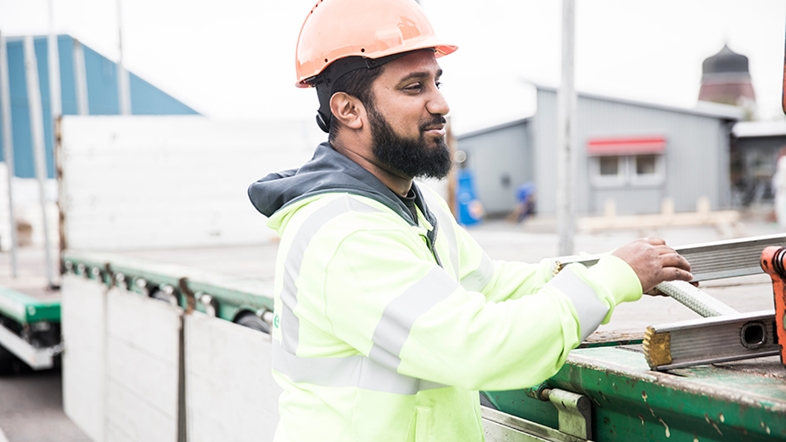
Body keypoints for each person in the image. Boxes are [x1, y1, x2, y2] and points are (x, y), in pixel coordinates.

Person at [248, 0, 692, 440]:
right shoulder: (345, 234)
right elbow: (480, 347)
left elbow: (490, 287)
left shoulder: (412, 205)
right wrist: (610, 281)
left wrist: (607, 266)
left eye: (437, 82)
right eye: (413, 87)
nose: (440, 103)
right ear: (349, 110)